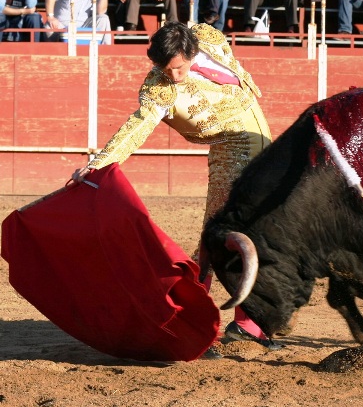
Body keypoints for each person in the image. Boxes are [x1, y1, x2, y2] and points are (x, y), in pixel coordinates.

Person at [71, 21, 283, 354]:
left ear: (190, 50)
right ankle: (192, 321)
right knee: (220, 241)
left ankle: (242, 323)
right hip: (232, 154)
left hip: (263, 142)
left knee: (252, 236)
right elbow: (135, 129)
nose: (174, 76)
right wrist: (98, 164)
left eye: (179, 68)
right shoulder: (159, 88)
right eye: (165, 69)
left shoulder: (208, 37)